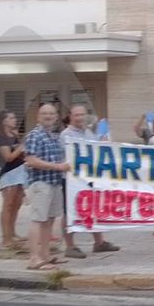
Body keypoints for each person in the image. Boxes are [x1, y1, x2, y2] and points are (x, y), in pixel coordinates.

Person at [58, 104, 120, 258]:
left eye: (82, 115)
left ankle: (99, 242)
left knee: (93, 209)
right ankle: (70, 246)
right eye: (76, 115)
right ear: (70, 117)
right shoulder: (66, 135)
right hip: (71, 180)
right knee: (68, 212)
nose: (79, 118)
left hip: (88, 179)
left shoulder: (88, 133)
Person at [23, 104, 70, 270]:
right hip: (41, 183)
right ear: (38, 116)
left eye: (51, 113)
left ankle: (45, 254)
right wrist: (57, 167)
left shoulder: (54, 136)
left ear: (56, 116)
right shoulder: (35, 135)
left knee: (49, 220)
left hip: (54, 183)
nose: (48, 116)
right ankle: (33, 258)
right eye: (44, 113)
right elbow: (31, 160)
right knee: (37, 219)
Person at [0, 110, 27, 250]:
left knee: (17, 204)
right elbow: (8, 157)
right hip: (8, 173)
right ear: (4, 121)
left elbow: (21, 154)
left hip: (20, 172)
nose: (14, 120)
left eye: (14, 117)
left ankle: (12, 233)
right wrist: (21, 147)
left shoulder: (14, 135)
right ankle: (5, 238)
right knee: (8, 205)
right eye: (11, 118)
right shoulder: (0, 138)